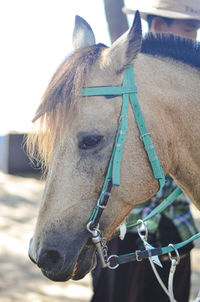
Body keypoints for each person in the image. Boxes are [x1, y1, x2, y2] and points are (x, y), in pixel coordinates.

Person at [91, 1, 200, 302]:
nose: (195, 35)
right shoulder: (123, 77)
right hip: (124, 229)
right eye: (189, 27)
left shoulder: (190, 83)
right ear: (159, 26)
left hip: (174, 230)